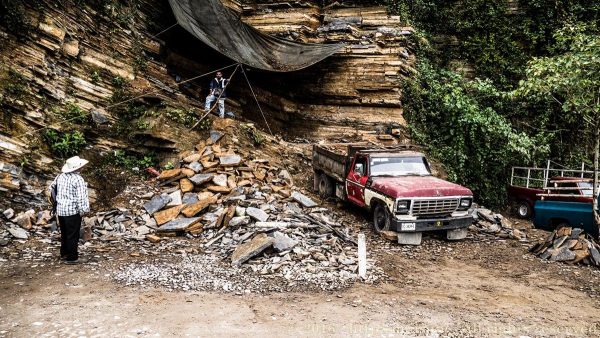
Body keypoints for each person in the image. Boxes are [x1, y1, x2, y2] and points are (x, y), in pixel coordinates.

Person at [49, 156, 90, 264]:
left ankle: (64, 253)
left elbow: (52, 189)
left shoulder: (60, 176)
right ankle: (72, 257)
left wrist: (56, 203)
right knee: (73, 234)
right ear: (78, 168)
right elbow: (81, 198)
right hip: (72, 211)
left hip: (61, 210)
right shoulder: (78, 179)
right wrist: (84, 211)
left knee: (64, 233)